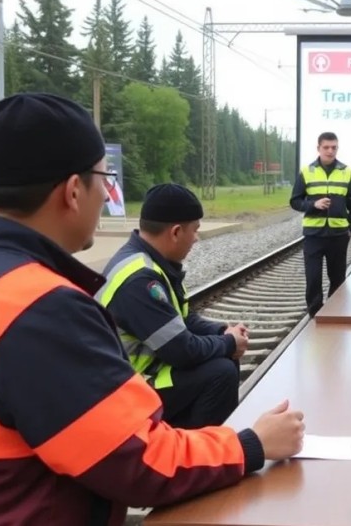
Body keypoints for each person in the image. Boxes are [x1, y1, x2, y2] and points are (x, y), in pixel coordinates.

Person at [0, 93, 304, 525]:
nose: (107, 193)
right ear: (72, 191)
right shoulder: (37, 309)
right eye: (105, 178)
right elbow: (137, 461)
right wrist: (250, 443)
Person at [97, 183, 249, 429]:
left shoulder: (149, 262)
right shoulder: (139, 280)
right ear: (176, 232)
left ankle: (197, 442)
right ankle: (195, 459)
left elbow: (184, 320)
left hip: (138, 375)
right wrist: (229, 343)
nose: (196, 238)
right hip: (124, 390)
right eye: (195, 230)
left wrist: (221, 331)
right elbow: (181, 350)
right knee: (221, 372)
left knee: (224, 359)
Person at [290, 131, 351, 316]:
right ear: (318, 148)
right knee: (313, 278)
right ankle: (314, 314)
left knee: (337, 278)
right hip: (314, 235)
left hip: (338, 236)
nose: (330, 151)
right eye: (326, 147)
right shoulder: (307, 171)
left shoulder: (345, 171)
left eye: (334, 147)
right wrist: (313, 204)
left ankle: (334, 313)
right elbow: (295, 201)